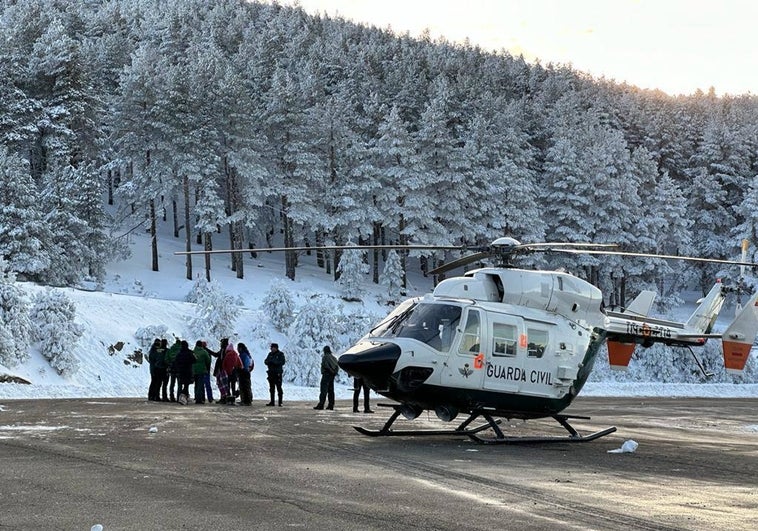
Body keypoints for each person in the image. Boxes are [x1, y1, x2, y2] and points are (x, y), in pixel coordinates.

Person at [314, 346, 339, 410]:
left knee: (323, 390)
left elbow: (326, 365)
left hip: (326, 375)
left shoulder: (325, 357)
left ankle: (321, 404)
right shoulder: (334, 358)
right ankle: (331, 405)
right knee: (331, 391)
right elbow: (337, 366)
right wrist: (333, 373)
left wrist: (329, 371)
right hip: (332, 376)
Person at [173, 340, 196, 405]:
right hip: (188, 370)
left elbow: (176, 362)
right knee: (186, 385)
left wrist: (178, 368)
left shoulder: (179, 353)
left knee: (182, 384)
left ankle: (184, 397)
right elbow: (194, 360)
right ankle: (183, 397)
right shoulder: (190, 353)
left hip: (181, 371)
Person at [192, 340, 212, 404]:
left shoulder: (193, 352)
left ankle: (196, 397)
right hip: (202, 370)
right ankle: (199, 399)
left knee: (196, 384)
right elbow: (208, 360)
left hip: (194, 370)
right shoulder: (204, 352)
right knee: (200, 385)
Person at [164, 338, 181, 402]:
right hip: (179, 369)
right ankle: (179, 397)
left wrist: (170, 364)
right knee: (179, 384)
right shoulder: (181, 350)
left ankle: (171, 396)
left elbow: (166, 359)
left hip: (172, 368)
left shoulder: (170, 350)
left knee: (172, 383)